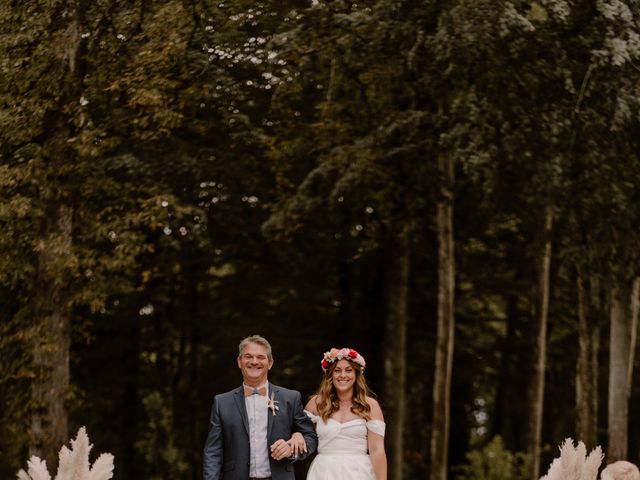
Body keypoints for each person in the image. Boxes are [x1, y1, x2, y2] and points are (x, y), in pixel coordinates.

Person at [203, 335, 317, 480]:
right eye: (248, 356)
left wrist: (291, 449)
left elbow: (311, 438)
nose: (254, 362)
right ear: (239, 361)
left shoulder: (291, 398)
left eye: (260, 357)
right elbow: (213, 451)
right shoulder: (222, 402)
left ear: (270, 363)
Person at [303, 347, 387, 480]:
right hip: (323, 471)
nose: (343, 375)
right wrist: (296, 435)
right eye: (337, 370)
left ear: (356, 375)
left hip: (359, 472)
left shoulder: (370, 405)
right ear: (330, 375)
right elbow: (301, 432)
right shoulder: (317, 403)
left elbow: (377, 450)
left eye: (349, 370)